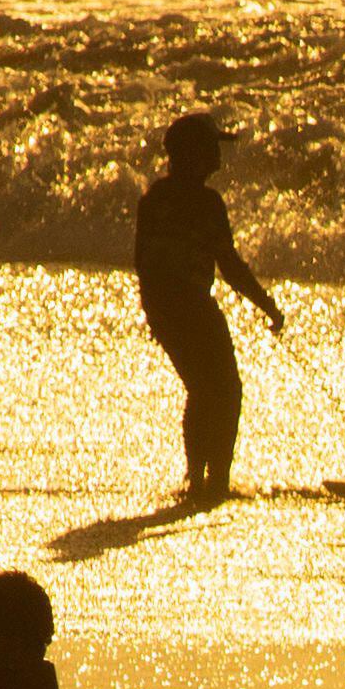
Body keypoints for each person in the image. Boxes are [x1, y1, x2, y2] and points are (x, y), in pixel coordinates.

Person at [135, 113, 284, 499]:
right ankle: (215, 481)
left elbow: (143, 263)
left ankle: (198, 479)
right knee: (226, 390)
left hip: (165, 308)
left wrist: (153, 311)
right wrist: (266, 304)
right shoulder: (205, 202)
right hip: (193, 307)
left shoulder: (155, 199)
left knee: (201, 389)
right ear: (194, 153)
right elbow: (229, 265)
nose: (218, 154)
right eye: (212, 146)